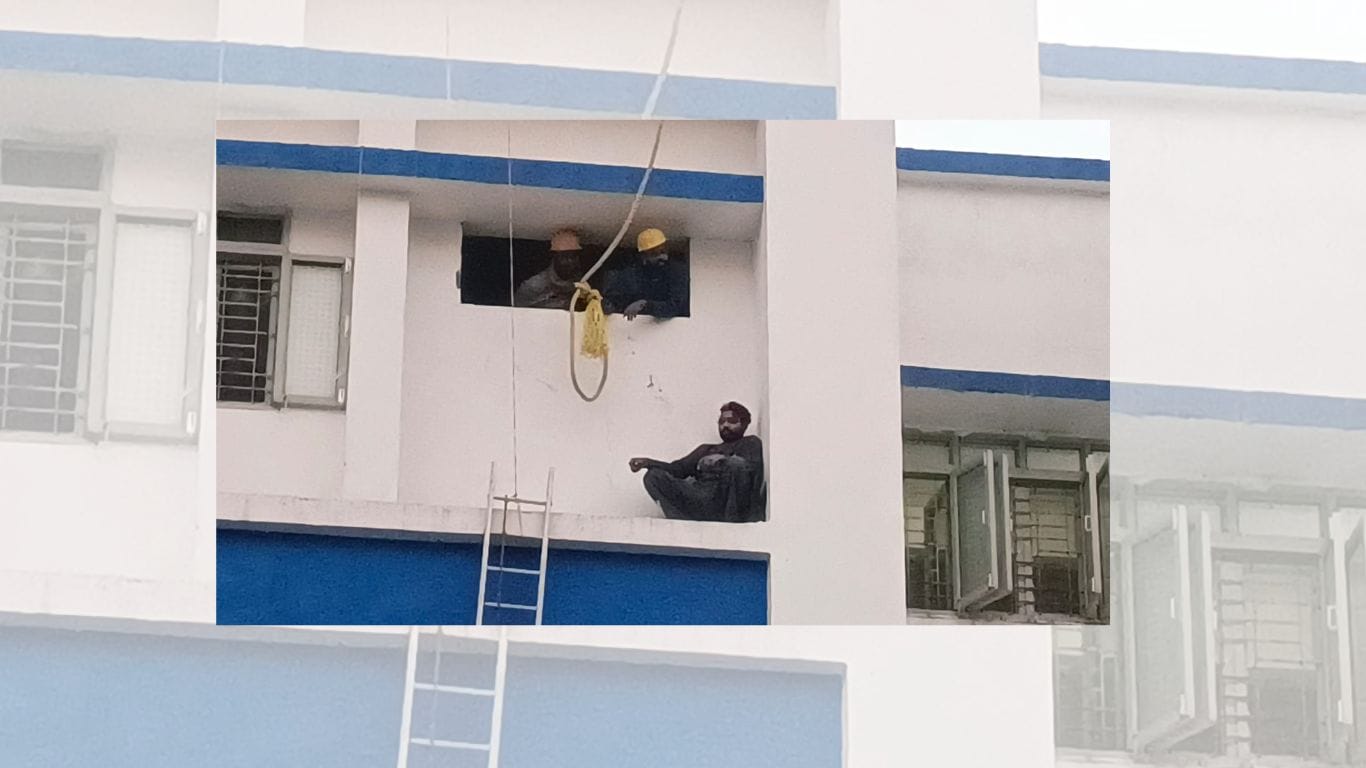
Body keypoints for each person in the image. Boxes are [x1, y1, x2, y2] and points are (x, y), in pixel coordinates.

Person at [628, 402, 765, 523]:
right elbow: (677, 469)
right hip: (700, 498)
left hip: (726, 503)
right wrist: (648, 462)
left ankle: (731, 526)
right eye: (721, 422)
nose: (725, 425)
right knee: (653, 476)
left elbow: (751, 470)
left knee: (737, 466)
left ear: (744, 424)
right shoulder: (706, 449)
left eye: (732, 421)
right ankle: (682, 522)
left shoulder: (750, 442)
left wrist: (723, 460)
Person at [602, 228, 689, 320]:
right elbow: (624, 296)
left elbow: (675, 306)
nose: (661, 257)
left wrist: (645, 305)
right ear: (644, 256)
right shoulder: (637, 273)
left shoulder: (677, 271)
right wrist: (611, 304)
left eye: (662, 251)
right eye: (654, 254)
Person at [514, 228, 584, 309]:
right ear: (554, 256)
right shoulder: (534, 286)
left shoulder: (582, 281)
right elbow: (517, 310)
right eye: (565, 256)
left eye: (573, 256)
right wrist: (561, 304)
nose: (570, 261)